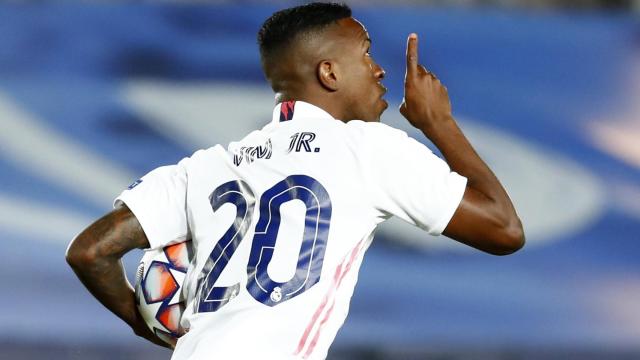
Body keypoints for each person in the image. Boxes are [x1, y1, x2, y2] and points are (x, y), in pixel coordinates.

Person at [66, 2, 524, 359]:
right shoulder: (367, 149)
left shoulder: (207, 167)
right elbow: (503, 229)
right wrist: (438, 122)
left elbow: (91, 251)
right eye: (366, 54)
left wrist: (151, 327)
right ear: (329, 72)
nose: (379, 70)